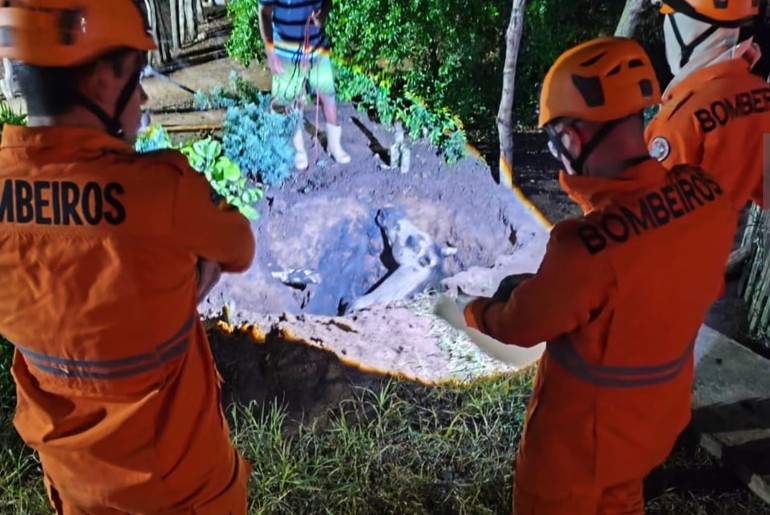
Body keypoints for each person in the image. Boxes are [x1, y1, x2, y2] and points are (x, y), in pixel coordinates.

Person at [461, 37, 738, 514]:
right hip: (652, 428)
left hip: (576, 454)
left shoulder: (584, 250)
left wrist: (472, 310)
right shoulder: (707, 197)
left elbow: (518, 326)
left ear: (571, 138)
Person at [0, 1, 255, 513]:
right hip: (187, 493)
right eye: (136, 77)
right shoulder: (163, 193)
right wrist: (184, 289)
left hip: (78, 490)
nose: (141, 97)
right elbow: (239, 246)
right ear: (101, 79)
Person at [646, 0, 767, 211]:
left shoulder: (677, 124)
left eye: (668, 16)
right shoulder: (759, 94)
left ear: (690, 32)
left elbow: (652, 220)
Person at [258, 0, 351, 171]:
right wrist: (270, 51)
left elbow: (327, 1)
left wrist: (323, 13)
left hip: (317, 48)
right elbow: (264, 12)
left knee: (328, 96)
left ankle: (334, 146)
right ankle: (298, 149)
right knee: (290, 103)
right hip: (285, 52)